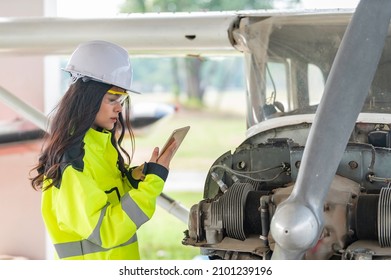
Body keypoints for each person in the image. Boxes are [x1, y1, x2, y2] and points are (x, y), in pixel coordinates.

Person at [30, 40, 177, 260]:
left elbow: (110, 201)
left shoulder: (100, 146)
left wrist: (136, 178)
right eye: (112, 99)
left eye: (122, 99)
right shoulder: (73, 160)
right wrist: (154, 183)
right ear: (88, 98)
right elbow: (106, 230)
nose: (119, 107)